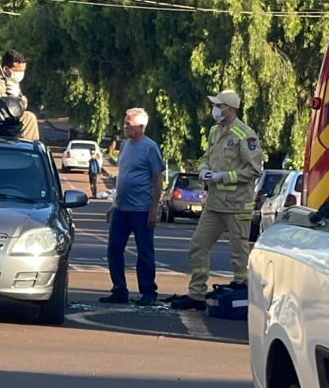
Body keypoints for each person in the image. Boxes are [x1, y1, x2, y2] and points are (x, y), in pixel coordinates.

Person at [170, 89, 263, 310]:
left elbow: (254, 170)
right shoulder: (214, 131)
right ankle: (197, 295)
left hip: (237, 204)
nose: (215, 110)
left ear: (230, 108)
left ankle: (241, 290)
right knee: (198, 245)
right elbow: (206, 157)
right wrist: (203, 170)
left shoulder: (245, 135)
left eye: (219, 106)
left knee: (238, 251)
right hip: (214, 203)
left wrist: (223, 176)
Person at [99, 107, 165, 306]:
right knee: (114, 250)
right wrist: (114, 205)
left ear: (141, 126)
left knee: (144, 252)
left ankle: (148, 292)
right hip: (122, 209)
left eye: (129, 123)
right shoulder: (126, 145)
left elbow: (157, 178)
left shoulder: (150, 147)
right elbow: (123, 178)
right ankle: (119, 290)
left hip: (142, 210)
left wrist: (154, 207)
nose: (125, 126)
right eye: (125, 122)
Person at [0, 49, 41, 140]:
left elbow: (21, 105)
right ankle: (29, 152)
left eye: (23, 70)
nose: (21, 74)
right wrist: (10, 98)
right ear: (6, 69)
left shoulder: (10, 80)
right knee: (29, 118)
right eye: (18, 71)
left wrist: (18, 97)